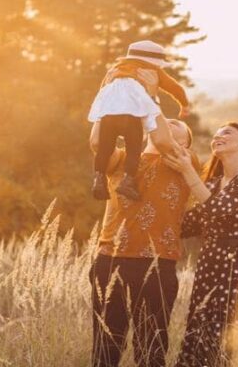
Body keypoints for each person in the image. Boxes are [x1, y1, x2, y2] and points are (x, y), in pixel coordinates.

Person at [88, 118, 200, 367]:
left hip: (157, 263)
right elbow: (97, 142)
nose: (169, 121)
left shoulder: (184, 160)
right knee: (105, 346)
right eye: (165, 120)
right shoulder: (123, 159)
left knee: (151, 347)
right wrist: (107, 103)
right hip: (110, 259)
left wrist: (147, 102)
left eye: (177, 125)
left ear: (184, 142)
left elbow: (162, 139)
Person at [164, 122, 238, 366]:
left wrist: (188, 172)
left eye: (226, 133)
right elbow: (188, 225)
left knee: (236, 327)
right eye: (216, 134)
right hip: (208, 265)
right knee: (202, 328)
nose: (218, 136)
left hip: (235, 264)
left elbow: (217, 210)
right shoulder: (213, 184)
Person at [88, 40, 191, 201]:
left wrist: (104, 107)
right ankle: (128, 182)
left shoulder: (114, 71)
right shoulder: (153, 70)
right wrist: (184, 104)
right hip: (130, 116)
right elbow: (175, 88)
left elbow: (103, 90)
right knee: (133, 149)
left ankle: (98, 179)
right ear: (156, 62)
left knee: (104, 148)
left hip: (109, 115)